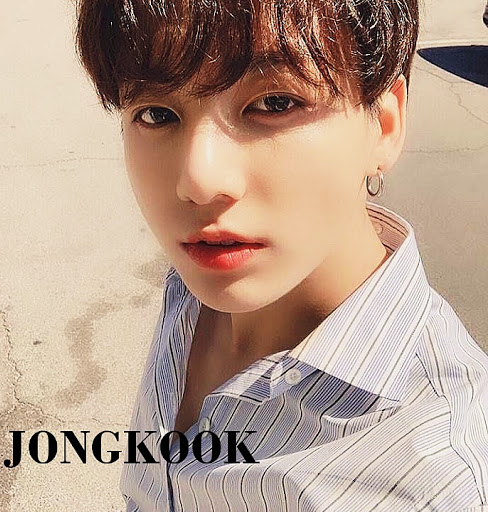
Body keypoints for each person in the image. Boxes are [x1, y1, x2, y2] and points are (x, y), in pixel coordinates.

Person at [75, 1, 488, 510]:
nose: (198, 180)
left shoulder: (434, 477)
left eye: (274, 103)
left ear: (383, 125)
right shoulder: (195, 291)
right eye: (157, 114)